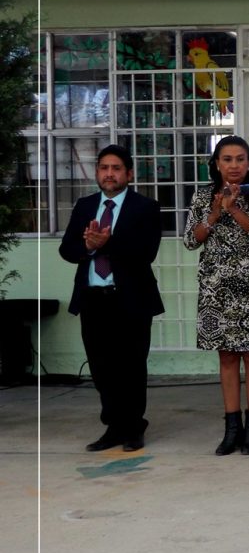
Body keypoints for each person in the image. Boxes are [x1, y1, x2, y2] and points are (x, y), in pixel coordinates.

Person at [59, 144, 164, 452]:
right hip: (93, 299)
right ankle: (114, 426)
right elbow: (67, 250)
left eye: (116, 168)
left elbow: (146, 253)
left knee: (131, 366)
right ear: (97, 173)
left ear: (128, 174)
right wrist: (90, 248)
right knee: (101, 368)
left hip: (130, 298)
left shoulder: (145, 207)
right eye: (104, 168)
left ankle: (134, 426)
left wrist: (106, 244)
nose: (109, 173)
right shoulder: (84, 206)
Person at [183, 135, 249, 456]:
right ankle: (231, 427)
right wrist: (213, 212)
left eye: (240, 159)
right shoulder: (202, 195)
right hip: (215, 286)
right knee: (225, 355)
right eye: (227, 159)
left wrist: (234, 208)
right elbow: (190, 241)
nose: (234, 165)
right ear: (217, 164)